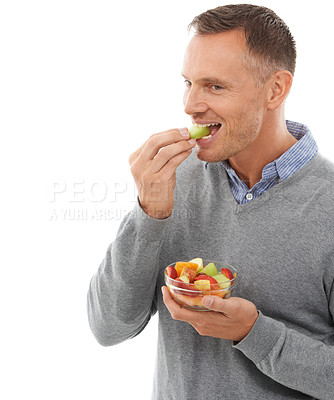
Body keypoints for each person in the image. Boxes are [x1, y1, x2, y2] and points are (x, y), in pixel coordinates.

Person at [87, 4, 334, 399]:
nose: (190, 105)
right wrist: (149, 212)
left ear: (276, 89)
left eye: (215, 86)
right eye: (188, 82)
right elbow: (109, 327)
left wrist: (254, 333)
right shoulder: (174, 180)